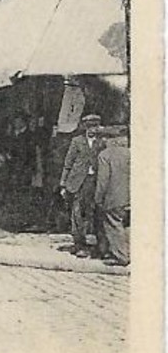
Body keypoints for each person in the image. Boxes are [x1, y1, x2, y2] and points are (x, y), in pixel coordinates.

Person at [58, 113, 102, 256]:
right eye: (89, 127)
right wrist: (63, 184)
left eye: (94, 126)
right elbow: (68, 163)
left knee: (94, 212)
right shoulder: (77, 141)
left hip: (95, 181)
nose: (92, 130)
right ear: (84, 127)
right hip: (78, 182)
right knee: (77, 213)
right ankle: (79, 244)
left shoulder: (102, 142)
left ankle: (97, 245)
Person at [94, 123, 130, 267]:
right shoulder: (130, 153)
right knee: (125, 224)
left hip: (113, 197)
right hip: (129, 196)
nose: (103, 141)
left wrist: (98, 198)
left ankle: (121, 256)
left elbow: (103, 180)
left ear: (111, 139)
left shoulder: (105, 155)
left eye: (105, 138)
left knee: (113, 224)